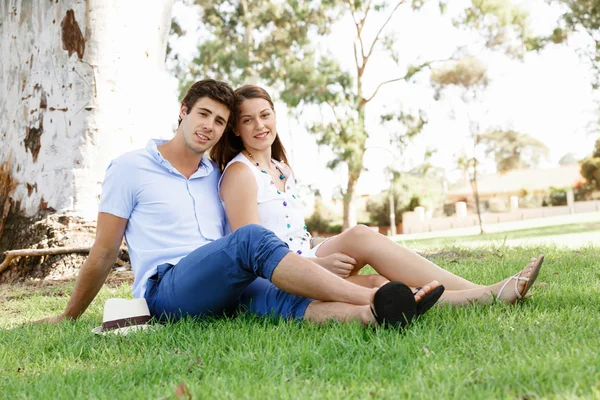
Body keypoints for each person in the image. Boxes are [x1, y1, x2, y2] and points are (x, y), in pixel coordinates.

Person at [36, 79, 443, 330]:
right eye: (203, 114)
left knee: (289, 300)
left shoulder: (214, 174)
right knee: (251, 239)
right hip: (168, 289)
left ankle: (375, 315)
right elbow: (105, 251)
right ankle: (371, 299)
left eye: (218, 121)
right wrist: (69, 315)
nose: (208, 126)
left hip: (226, 280)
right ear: (182, 112)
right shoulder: (130, 168)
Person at [212, 84, 544, 316]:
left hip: (306, 256)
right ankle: (487, 295)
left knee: (359, 235)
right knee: (377, 283)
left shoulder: (282, 168)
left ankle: (484, 292)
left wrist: (320, 250)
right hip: (279, 275)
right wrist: (314, 266)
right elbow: (251, 253)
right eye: (247, 119)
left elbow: (292, 232)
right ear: (236, 129)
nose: (260, 125)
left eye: (265, 115)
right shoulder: (240, 174)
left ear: (274, 116)